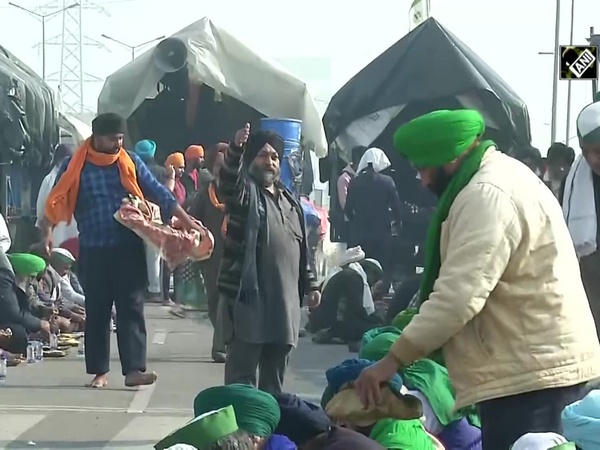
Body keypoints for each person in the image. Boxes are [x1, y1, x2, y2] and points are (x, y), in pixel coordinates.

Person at [354, 109, 600, 450]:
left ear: (453, 158)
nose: (424, 181)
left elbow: (458, 297)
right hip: (529, 367)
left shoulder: (486, 194)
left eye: (426, 168)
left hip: (531, 379)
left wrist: (391, 361)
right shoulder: (499, 176)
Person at [41, 112, 202, 389]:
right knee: (98, 311)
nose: (116, 144)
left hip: (128, 248)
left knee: (131, 308)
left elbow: (159, 193)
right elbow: (56, 199)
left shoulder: (129, 161)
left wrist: (187, 221)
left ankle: (134, 370)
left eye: (120, 138)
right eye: (111, 139)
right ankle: (99, 372)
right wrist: (46, 231)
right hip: (93, 249)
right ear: (96, 138)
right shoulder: (76, 165)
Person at [219, 123, 320, 394]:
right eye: (263, 155)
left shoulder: (291, 201)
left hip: (284, 305)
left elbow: (302, 249)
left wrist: (311, 285)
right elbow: (228, 183)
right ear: (252, 159)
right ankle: (240, 434)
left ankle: (269, 434)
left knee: (274, 384)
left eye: (274, 156)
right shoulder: (245, 195)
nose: (270, 161)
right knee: (242, 380)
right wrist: (235, 149)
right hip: (249, 300)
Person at [562, 102, 600, 340]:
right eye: (586, 152)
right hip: (590, 269)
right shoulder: (575, 180)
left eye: (599, 151)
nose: (593, 160)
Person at [188, 142, 228, 363]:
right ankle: (222, 335)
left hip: (234, 254)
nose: (221, 169)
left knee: (225, 299)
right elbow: (194, 220)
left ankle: (219, 344)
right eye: (218, 165)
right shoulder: (205, 194)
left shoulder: (240, 192)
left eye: (225, 165)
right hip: (211, 255)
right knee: (213, 300)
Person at [344, 147, 404, 292]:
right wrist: (397, 224)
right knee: (381, 268)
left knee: (359, 268)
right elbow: (397, 208)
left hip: (360, 235)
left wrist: (356, 222)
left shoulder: (355, 182)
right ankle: (379, 298)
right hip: (381, 234)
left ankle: (360, 296)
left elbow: (347, 209)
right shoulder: (387, 181)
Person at [310, 247, 384, 350]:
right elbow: (355, 310)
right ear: (369, 271)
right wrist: (374, 320)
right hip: (336, 323)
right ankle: (334, 333)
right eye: (374, 278)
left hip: (325, 320)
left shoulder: (345, 273)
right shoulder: (354, 277)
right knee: (378, 329)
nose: (373, 283)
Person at [134, 139, 175, 303]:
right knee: (157, 254)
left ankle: (142, 287)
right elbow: (167, 194)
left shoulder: (134, 171)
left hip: (137, 216)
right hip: (158, 218)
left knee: (139, 253)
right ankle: (156, 290)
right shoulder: (161, 172)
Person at [0, 252, 50, 354]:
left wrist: (43, 314)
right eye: (36, 278)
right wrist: (38, 323)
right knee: (17, 332)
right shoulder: (4, 280)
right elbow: (12, 313)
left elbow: (26, 308)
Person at [35, 143, 78, 247]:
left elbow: (41, 216)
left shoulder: (48, 180)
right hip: (76, 241)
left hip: (57, 242)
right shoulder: (80, 177)